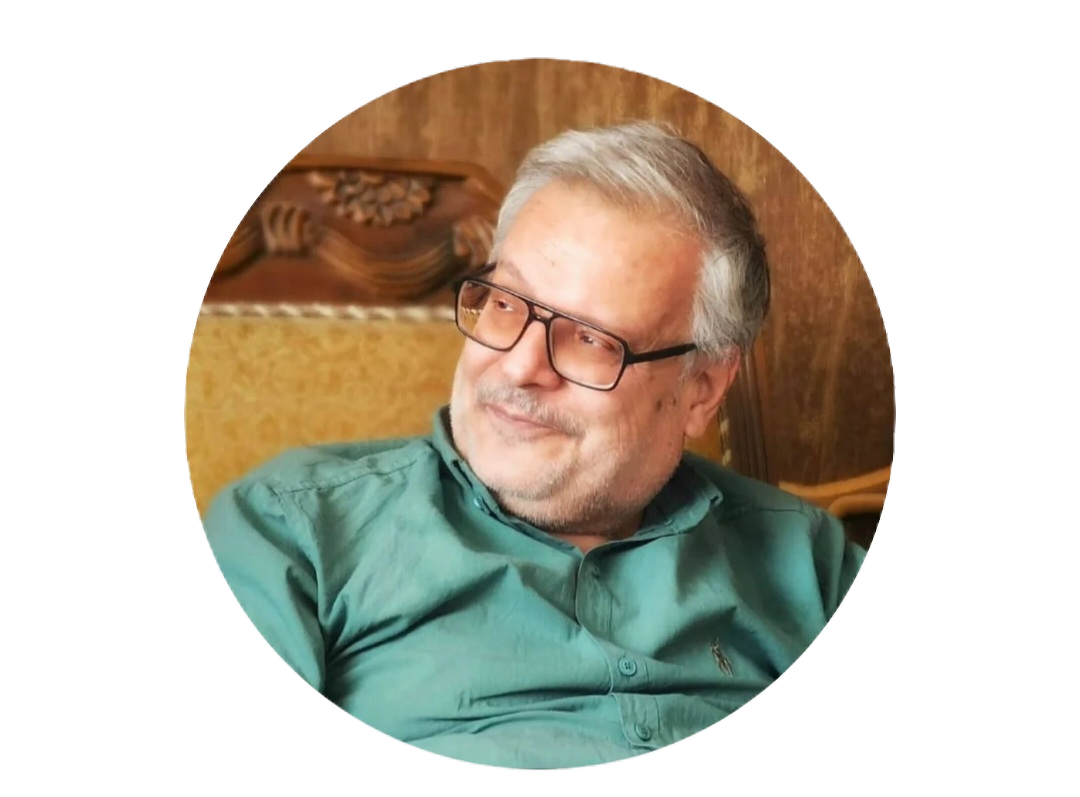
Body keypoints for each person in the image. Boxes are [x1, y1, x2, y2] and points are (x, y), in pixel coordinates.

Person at [203, 121, 866, 768]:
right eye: (505, 303)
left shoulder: (807, 560)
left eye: (591, 339)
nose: (520, 367)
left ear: (702, 388)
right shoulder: (293, 530)